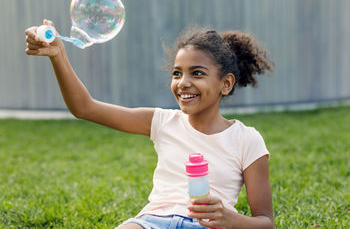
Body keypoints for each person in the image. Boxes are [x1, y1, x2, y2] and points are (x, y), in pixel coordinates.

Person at [25, 19, 275, 229]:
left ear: (226, 83)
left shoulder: (247, 139)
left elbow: (266, 222)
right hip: (152, 222)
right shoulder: (162, 121)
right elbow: (84, 107)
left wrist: (231, 219)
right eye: (177, 73)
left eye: (197, 73)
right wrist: (58, 55)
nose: (183, 82)